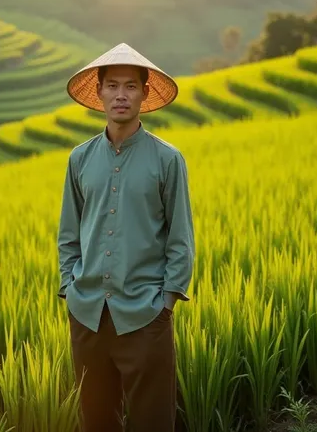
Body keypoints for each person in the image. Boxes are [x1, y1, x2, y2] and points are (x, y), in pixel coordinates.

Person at [57, 42, 195, 432]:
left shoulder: (167, 159)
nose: (121, 94)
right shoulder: (79, 159)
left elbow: (180, 238)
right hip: (87, 315)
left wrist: (166, 302)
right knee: (97, 421)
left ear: (144, 93)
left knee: (153, 421)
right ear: (98, 92)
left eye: (131, 86)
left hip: (145, 314)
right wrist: (69, 286)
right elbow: (69, 233)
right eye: (113, 85)